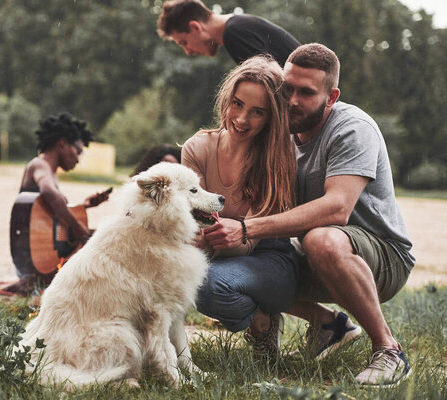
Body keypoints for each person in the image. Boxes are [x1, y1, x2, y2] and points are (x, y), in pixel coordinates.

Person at [214, 43, 414, 386]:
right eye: (287, 88)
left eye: (306, 93)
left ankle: (389, 350)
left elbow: (337, 209)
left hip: (382, 257)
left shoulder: (352, 128)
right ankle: (328, 327)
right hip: (314, 254)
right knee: (247, 262)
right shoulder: (279, 134)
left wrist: (247, 228)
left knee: (320, 238)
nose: (292, 100)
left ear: (331, 96)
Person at [182, 55, 300, 359]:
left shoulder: (277, 159)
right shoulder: (196, 149)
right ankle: (261, 317)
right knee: (182, 271)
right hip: (216, 253)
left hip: (269, 259)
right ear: (226, 99)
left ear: (271, 117)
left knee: (204, 283)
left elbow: (246, 245)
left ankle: (263, 321)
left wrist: (202, 239)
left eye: (257, 112)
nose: (242, 119)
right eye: (237, 104)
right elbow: (187, 227)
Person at [3, 112, 111, 295]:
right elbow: (48, 192)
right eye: (78, 151)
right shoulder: (40, 165)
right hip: (33, 260)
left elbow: (50, 217)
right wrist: (77, 226)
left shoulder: (51, 171)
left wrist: (83, 206)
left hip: (38, 260)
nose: (78, 159)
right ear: (62, 143)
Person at [157, 0, 300, 66]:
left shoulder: (234, 33)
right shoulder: (238, 26)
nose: (188, 52)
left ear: (195, 27)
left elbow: (270, 87)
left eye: (184, 42)